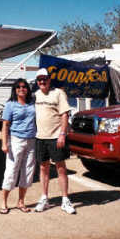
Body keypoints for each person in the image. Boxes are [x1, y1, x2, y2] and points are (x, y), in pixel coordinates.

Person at [33, 68, 76, 214]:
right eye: (39, 79)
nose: (42, 81)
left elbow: (65, 115)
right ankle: (44, 198)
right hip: (40, 138)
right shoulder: (36, 95)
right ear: (37, 81)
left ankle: (65, 200)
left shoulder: (58, 93)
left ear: (49, 79)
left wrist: (62, 134)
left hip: (56, 137)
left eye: (44, 78)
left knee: (61, 168)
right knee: (43, 168)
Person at [0, 78, 36, 214]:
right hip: (16, 140)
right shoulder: (10, 105)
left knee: (28, 172)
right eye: (18, 87)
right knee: (11, 171)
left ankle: (21, 202)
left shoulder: (32, 103)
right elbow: (5, 125)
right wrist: (4, 143)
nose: (22, 89)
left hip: (31, 141)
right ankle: (4, 202)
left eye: (24, 86)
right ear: (15, 90)